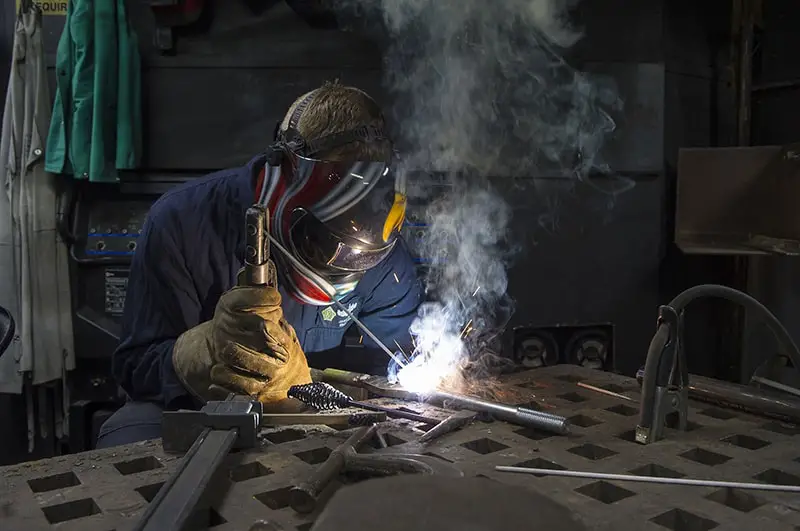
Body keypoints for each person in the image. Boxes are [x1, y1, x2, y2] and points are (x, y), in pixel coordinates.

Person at [96, 82, 423, 448]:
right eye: (325, 242)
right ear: (285, 177)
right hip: (197, 412)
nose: (345, 266)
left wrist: (317, 394)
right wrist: (196, 356)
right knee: (130, 431)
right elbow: (133, 366)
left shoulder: (384, 253)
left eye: (363, 258)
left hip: (318, 419)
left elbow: (395, 373)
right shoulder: (180, 222)